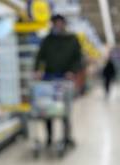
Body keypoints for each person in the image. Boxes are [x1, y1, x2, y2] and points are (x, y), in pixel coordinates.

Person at [34, 14, 83, 147]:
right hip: (48, 78)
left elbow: (78, 59)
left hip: (65, 80)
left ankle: (67, 137)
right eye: (55, 23)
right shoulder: (47, 40)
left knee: (65, 111)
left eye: (60, 23)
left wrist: (72, 71)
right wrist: (38, 70)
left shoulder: (72, 39)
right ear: (52, 24)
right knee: (47, 111)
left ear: (64, 24)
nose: (58, 25)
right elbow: (40, 56)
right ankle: (49, 138)